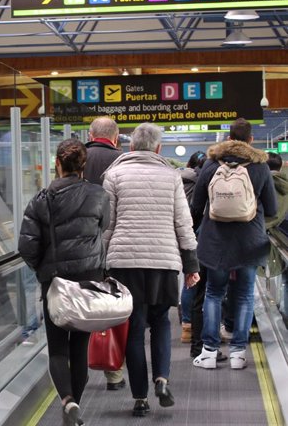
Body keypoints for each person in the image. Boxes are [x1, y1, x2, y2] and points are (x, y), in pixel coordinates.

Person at [102, 122, 199, 417]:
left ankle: (140, 398)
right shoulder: (171, 177)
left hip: (124, 264)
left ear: (131, 147)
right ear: (158, 148)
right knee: (160, 323)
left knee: (133, 329)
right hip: (163, 262)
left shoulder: (113, 175)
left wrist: (102, 264)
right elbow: (184, 223)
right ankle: (162, 380)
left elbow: (107, 225)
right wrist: (191, 264)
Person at [18, 138, 110, 426]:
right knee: (79, 347)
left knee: (57, 348)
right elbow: (103, 227)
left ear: (56, 164)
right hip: (88, 282)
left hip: (56, 282)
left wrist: (42, 269)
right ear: (83, 166)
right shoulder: (99, 195)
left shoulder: (42, 199)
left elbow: (27, 246)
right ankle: (75, 407)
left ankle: (67, 400)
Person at [192, 118, 277, 370]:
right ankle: (238, 353)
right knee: (243, 295)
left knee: (214, 293)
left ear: (229, 138)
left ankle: (209, 351)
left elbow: (197, 205)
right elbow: (272, 207)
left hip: (215, 241)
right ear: (251, 140)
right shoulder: (260, 167)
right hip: (249, 241)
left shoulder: (210, 164)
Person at [82, 116, 126, 390]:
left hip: (79, 244)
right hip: (113, 242)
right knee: (113, 306)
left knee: (82, 303)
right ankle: (114, 372)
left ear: (90, 133)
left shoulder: (78, 156)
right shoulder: (123, 160)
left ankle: (80, 369)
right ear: (116, 137)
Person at [178, 151, 207, 344]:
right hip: (201, 232)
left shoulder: (179, 178)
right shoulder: (204, 179)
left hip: (183, 230)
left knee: (188, 279)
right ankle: (200, 325)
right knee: (201, 281)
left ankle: (186, 325)